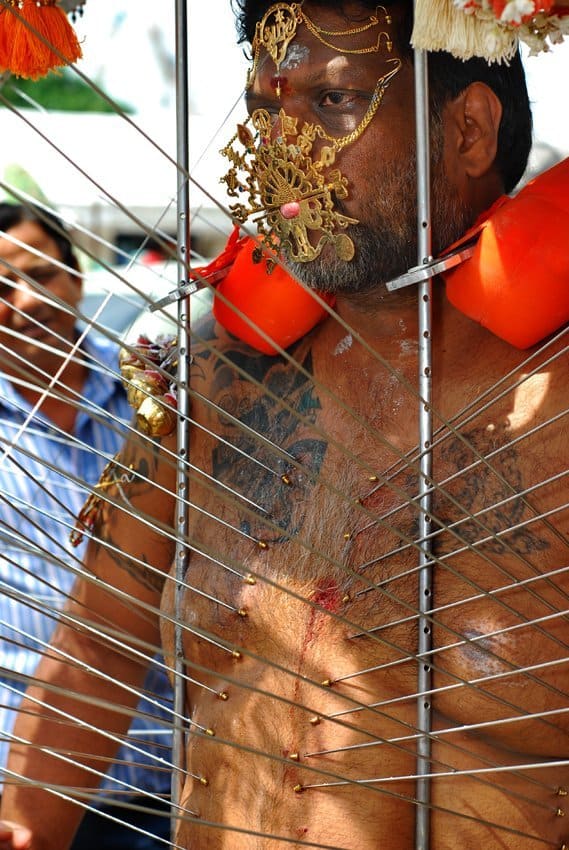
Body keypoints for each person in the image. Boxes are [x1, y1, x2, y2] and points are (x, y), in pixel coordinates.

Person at [3, 2, 569, 848]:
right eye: (265, 111)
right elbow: (98, 644)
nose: (282, 149)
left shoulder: (552, 407)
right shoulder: (215, 384)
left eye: (332, 102)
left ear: (469, 130)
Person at [0, 203, 174, 848]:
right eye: (1, 289)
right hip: (23, 793)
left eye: (40, 275)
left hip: (169, 775)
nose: (26, 300)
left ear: (75, 278)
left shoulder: (161, 393)